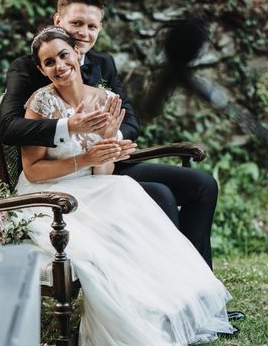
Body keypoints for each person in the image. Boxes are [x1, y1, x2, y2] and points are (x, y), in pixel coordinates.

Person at [17, 26, 236, 345]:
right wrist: (85, 158)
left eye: (64, 55)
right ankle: (135, 317)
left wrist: (107, 143)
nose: (60, 66)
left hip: (91, 186)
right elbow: (33, 171)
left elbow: (103, 172)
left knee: (132, 197)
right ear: (41, 69)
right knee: (107, 238)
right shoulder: (40, 105)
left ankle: (171, 305)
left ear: (78, 53)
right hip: (46, 193)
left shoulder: (106, 100)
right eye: (49, 62)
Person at [0, 0, 219, 269]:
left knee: (203, 186)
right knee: (161, 195)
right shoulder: (30, 67)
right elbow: (9, 128)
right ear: (58, 21)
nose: (83, 33)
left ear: (100, 28)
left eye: (92, 26)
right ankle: (172, 277)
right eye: (76, 23)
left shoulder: (103, 64)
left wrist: (110, 140)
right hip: (66, 172)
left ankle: (201, 282)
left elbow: (130, 120)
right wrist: (69, 126)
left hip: (109, 163)